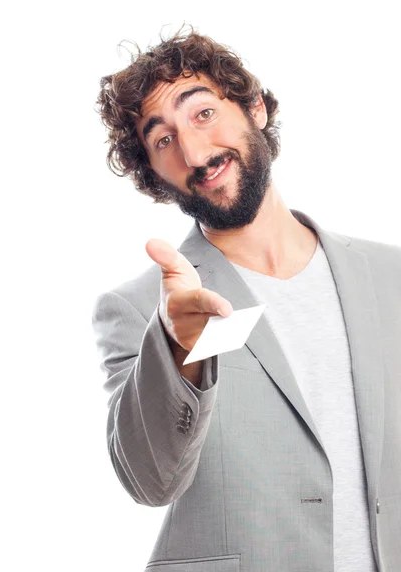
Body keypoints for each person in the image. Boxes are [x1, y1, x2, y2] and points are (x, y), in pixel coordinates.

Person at [91, 28, 401, 572]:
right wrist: (179, 348)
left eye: (203, 113)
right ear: (154, 176)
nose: (194, 150)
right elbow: (148, 482)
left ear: (254, 107)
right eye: (162, 140)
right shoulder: (140, 308)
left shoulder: (389, 275)